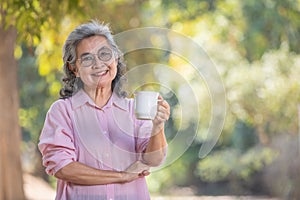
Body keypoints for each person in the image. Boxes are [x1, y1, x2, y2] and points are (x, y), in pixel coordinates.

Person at [38, 20, 170, 200]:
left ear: (116, 59)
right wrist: (122, 176)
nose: (98, 64)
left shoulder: (134, 110)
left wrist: (157, 126)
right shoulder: (62, 112)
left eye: (105, 54)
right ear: (74, 68)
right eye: (87, 58)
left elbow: (153, 160)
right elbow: (63, 168)